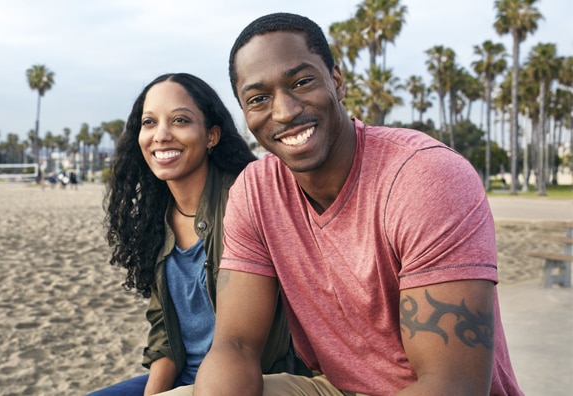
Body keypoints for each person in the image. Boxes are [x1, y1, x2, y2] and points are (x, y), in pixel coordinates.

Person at [160, 13, 523, 396]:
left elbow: (454, 384)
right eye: (259, 99)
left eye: (301, 82)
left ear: (336, 80)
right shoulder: (255, 191)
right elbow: (235, 346)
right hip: (335, 388)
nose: (283, 111)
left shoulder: (427, 178)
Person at [88, 73, 308, 396]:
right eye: (149, 122)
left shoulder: (244, 200)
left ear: (211, 136)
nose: (161, 135)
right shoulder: (154, 218)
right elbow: (164, 333)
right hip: (182, 379)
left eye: (179, 120)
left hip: (242, 380)